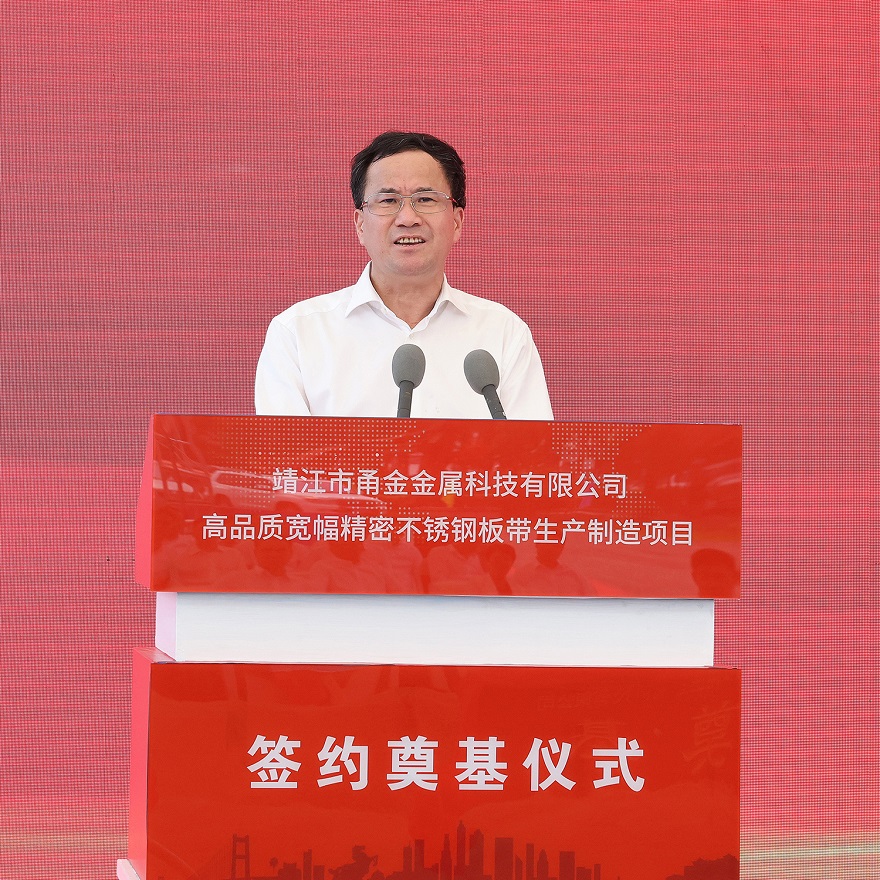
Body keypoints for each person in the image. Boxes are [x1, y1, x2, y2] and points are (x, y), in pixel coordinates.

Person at [255, 131, 553, 419]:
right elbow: (285, 452)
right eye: (388, 201)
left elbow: (533, 451)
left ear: (457, 222)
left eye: (426, 199)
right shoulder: (298, 335)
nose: (408, 218)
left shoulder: (503, 333)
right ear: (360, 225)